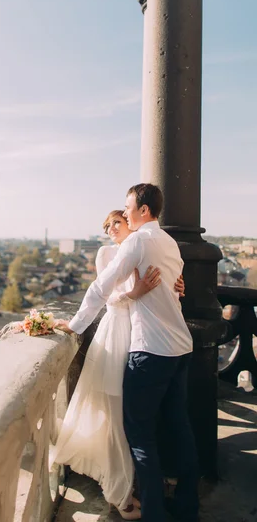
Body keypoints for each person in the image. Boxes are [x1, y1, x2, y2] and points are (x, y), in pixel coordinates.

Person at [59, 184, 199, 522]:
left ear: (144, 211)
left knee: (140, 435)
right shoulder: (169, 242)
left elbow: (101, 286)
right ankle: (186, 506)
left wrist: (76, 325)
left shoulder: (137, 241)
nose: (124, 212)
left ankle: (153, 514)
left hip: (151, 350)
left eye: (128, 207)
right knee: (180, 427)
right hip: (181, 347)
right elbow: (175, 288)